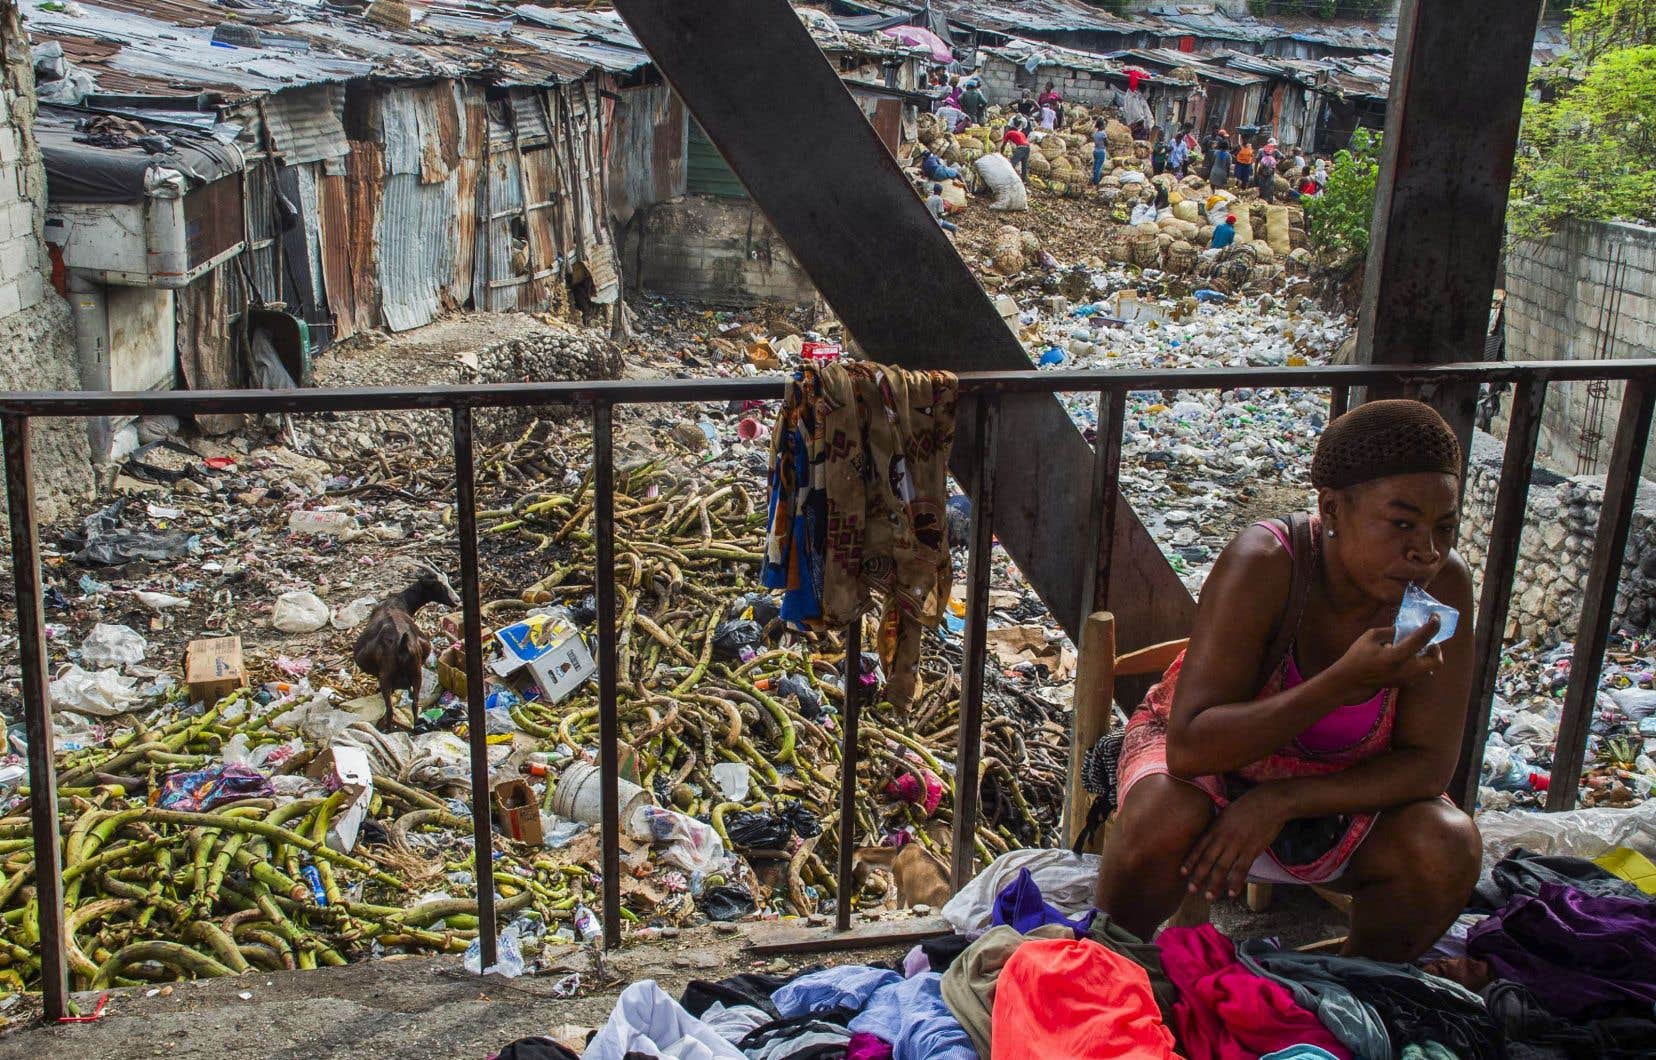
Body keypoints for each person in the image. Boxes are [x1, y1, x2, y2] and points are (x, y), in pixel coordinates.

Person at [1094, 400, 1479, 963]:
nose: (1426, 551)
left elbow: (1428, 766)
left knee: (1447, 845)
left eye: (1444, 527)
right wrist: (1338, 685)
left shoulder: (1441, 589)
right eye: (1402, 524)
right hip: (1212, 768)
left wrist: (1282, 800)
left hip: (1331, 790)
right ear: (1333, 510)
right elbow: (1191, 745)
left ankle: (1346, 989)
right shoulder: (1268, 562)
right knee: (1162, 814)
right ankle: (1110, 963)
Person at [1091, 118, 1110, 184]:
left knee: (1095, 165)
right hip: (1101, 151)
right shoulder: (1103, 134)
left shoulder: (1095, 133)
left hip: (1095, 151)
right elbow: (1106, 143)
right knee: (1099, 167)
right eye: (1104, 125)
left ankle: (1093, 179)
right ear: (1101, 126)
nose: (1105, 126)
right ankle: (1096, 182)